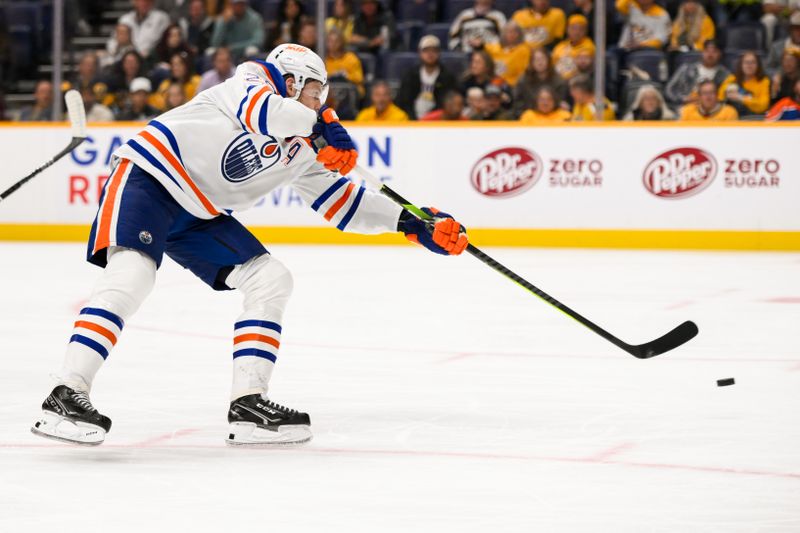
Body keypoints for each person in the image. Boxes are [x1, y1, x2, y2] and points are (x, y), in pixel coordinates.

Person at [30, 43, 468, 447]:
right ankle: (66, 392)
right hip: (150, 176)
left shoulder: (304, 145)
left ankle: (249, 405)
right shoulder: (251, 80)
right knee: (133, 274)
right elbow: (263, 112)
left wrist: (410, 222)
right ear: (292, 81)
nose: (322, 101)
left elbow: (342, 205)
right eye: (315, 91)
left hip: (199, 212)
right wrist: (319, 126)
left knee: (271, 279)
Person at [396, 35, 458, 120]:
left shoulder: (447, 77)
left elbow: (445, 104)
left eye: (434, 50)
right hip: (411, 120)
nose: (430, 54)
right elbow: (404, 101)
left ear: (439, 53)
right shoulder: (410, 75)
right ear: (420, 53)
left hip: (437, 121)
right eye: (426, 50)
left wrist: (430, 118)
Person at [664, 39, 729, 107]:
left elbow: (724, 99)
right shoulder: (686, 68)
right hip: (683, 108)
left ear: (720, 54)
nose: (710, 55)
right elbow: (669, 90)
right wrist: (683, 99)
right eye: (707, 51)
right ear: (702, 52)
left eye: (714, 52)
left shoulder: (725, 75)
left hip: (711, 111)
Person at [512, 48, 567, 117]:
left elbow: (560, 103)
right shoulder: (523, 80)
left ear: (548, 61)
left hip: (553, 118)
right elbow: (518, 103)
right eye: (536, 60)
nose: (540, 62)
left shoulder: (559, 81)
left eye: (542, 59)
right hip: (529, 118)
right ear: (531, 63)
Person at [718, 51, 771, 115]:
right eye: (746, 62)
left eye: (753, 62)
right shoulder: (732, 79)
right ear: (741, 65)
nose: (749, 65)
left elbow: (763, 106)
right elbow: (719, 98)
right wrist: (727, 94)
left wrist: (741, 98)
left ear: (758, 65)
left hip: (754, 118)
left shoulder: (764, 81)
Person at [484, 22, 531, 86]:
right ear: (503, 33)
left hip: (511, 85)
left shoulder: (523, 50)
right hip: (491, 82)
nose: (512, 34)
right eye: (509, 31)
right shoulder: (493, 47)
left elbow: (523, 73)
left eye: (515, 32)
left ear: (520, 34)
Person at [551, 14, 595, 80]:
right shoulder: (559, 46)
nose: (577, 32)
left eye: (580, 29)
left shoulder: (589, 46)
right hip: (558, 81)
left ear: (585, 31)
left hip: (578, 81)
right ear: (567, 29)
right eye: (573, 28)